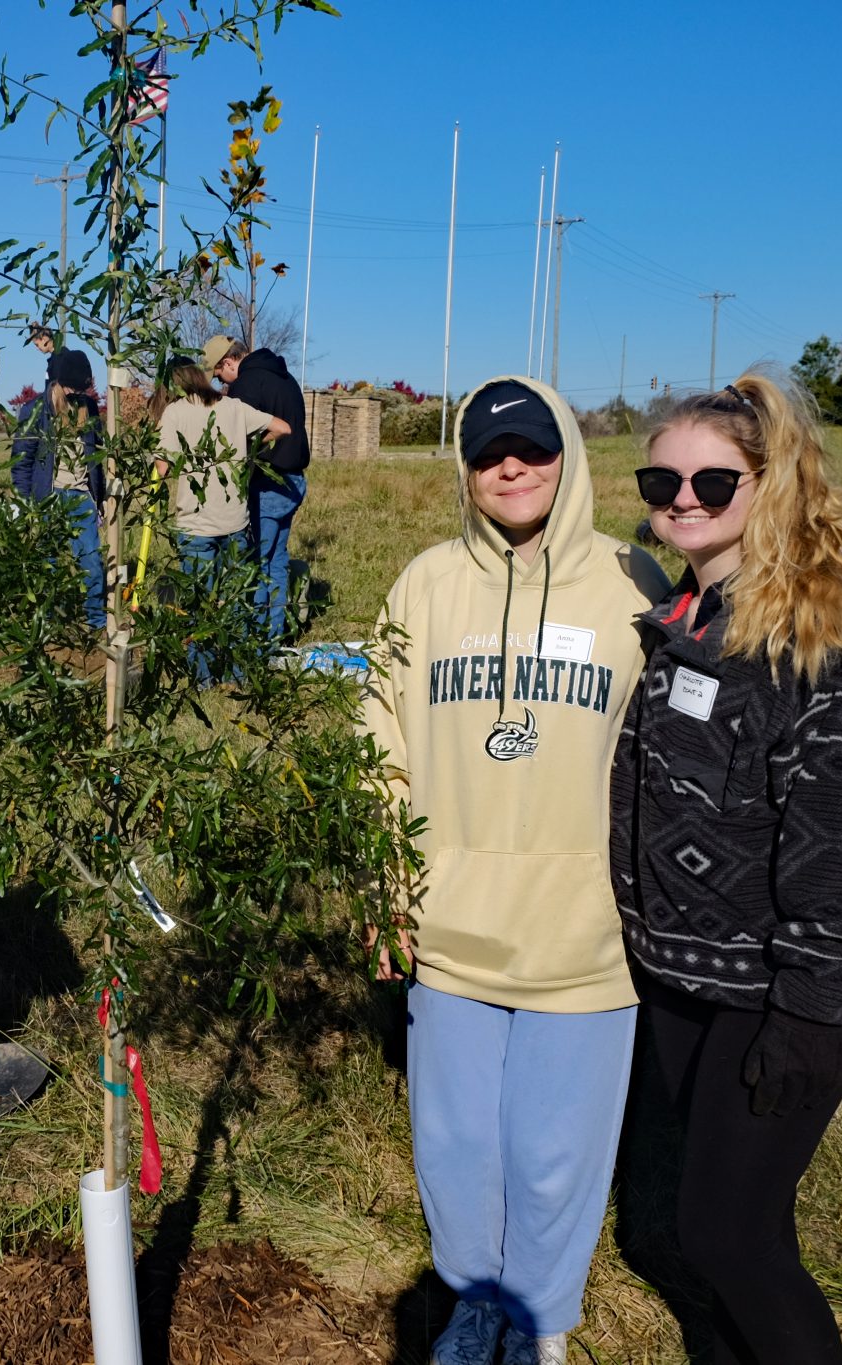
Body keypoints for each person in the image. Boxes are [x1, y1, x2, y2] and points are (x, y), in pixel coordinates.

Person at [359, 376, 669, 1365]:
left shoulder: (631, 580)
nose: (510, 468)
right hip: (449, 927)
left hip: (584, 937)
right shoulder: (425, 585)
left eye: (531, 448)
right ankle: (471, 1303)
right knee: (455, 1146)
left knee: (549, 1155)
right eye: (488, 454)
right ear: (464, 468)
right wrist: (385, 885)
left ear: (565, 454)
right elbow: (378, 743)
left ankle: (538, 1320)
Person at [611, 375, 842, 1365]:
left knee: (725, 1237)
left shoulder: (821, 631)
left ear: (769, 483)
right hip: (681, 978)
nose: (681, 499)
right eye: (661, 480)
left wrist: (812, 1006)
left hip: (774, 990)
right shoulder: (683, 615)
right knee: (731, 1229)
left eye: (711, 481)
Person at [150, 357, 287, 680]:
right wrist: (248, 445)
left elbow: (162, 468)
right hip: (235, 522)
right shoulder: (234, 407)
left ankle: (203, 677)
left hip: (195, 524)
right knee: (235, 602)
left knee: (198, 604)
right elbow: (282, 428)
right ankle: (236, 674)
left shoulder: (175, 412)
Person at [202, 335, 310, 641]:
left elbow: (238, 437)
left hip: (267, 484)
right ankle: (273, 637)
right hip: (294, 481)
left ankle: (256, 642)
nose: (221, 383)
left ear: (228, 363)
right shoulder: (284, 376)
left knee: (256, 564)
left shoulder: (246, 386)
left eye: (218, 375)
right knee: (276, 560)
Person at [11, 348, 106, 630]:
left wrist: (100, 498)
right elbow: (21, 463)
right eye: (72, 389)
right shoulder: (35, 411)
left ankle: (97, 621)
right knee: (47, 563)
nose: (77, 394)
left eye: (82, 390)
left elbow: (97, 456)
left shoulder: (89, 408)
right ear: (60, 383)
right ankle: (48, 622)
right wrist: (28, 503)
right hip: (48, 496)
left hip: (80, 496)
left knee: (91, 561)